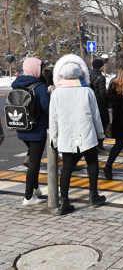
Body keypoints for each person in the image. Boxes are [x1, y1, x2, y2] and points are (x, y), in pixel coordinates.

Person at [50, 54, 106, 215]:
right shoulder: (87, 91)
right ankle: (93, 195)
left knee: (67, 168)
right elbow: (96, 115)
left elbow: (53, 119)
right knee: (92, 163)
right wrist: (100, 134)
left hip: (66, 135)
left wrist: (54, 140)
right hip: (86, 133)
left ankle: (65, 202)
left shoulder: (57, 93)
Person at [11, 58, 50, 206]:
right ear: (35, 69)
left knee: (33, 158)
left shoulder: (17, 85)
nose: (42, 71)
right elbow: (48, 107)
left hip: (21, 128)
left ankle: (36, 189)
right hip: (37, 130)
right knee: (34, 162)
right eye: (41, 68)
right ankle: (28, 197)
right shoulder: (39, 87)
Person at [89, 59, 109, 151]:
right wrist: (105, 104)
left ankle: (94, 143)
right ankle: (99, 142)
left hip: (89, 103)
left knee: (92, 123)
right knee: (104, 122)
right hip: (99, 104)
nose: (103, 67)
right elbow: (102, 93)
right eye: (102, 65)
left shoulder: (87, 75)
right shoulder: (100, 77)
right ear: (100, 66)